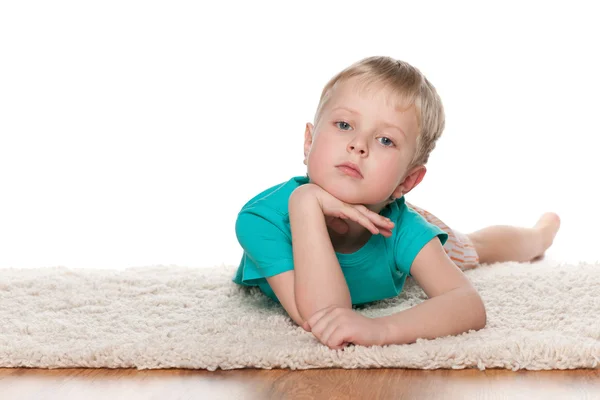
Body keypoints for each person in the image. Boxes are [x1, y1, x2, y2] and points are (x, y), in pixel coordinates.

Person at [232, 56, 561, 350]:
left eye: (385, 140)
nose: (358, 145)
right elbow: (325, 318)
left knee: (472, 248)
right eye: (344, 124)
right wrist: (306, 202)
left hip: (387, 213)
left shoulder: (402, 227)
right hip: (324, 211)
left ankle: (538, 234)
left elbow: (467, 305)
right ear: (309, 141)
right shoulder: (261, 221)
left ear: (407, 181)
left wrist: (380, 328)